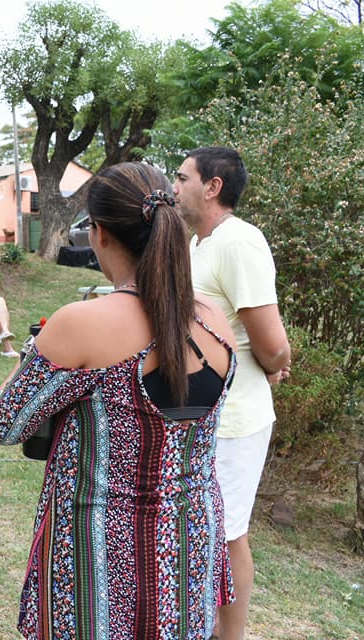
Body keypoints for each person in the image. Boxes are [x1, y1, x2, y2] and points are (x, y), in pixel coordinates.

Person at [0, 162, 238, 639]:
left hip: (100, 559)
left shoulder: (85, 322)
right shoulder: (212, 318)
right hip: (189, 547)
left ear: (99, 234)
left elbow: (6, 423)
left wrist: (28, 365)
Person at [174, 146, 291, 640]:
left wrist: (272, 368)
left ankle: (229, 635)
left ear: (213, 186)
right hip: (204, 416)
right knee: (204, 533)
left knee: (225, 534)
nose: (174, 186)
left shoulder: (240, 242)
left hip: (236, 421)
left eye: (182, 177)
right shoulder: (200, 244)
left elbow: (272, 344)